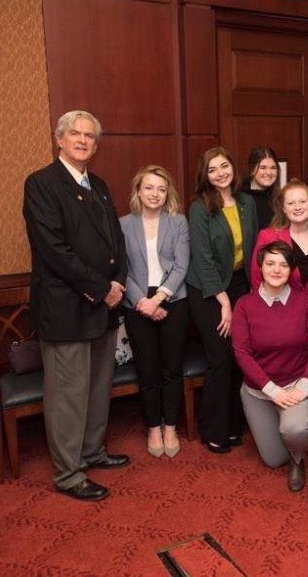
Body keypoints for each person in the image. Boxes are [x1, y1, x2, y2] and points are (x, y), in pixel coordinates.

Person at [22, 110, 129, 502]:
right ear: (60, 140)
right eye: (75, 134)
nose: (83, 140)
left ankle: (92, 452)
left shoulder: (97, 184)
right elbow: (53, 250)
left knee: (99, 386)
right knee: (68, 394)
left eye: (89, 136)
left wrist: (116, 284)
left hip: (103, 304)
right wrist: (100, 287)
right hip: (67, 307)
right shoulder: (41, 184)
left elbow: (115, 239)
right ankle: (68, 473)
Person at [251, 180, 308, 447]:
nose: (297, 207)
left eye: (302, 201)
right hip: (281, 313)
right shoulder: (269, 236)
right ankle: (282, 408)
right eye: (291, 202)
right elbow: (259, 280)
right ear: (283, 207)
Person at [232, 241, 308, 492]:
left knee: (294, 430)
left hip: (297, 385)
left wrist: (303, 386)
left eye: (283, 264)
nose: (276, 269)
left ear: (291, 270)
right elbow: (241, 352)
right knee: (274, 459)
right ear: (260, 267)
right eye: (270, 263)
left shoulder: (306, 302)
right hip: (259, 392)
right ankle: (289, 435)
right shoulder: (244, 305)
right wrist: (273, 391)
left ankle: (298, 458)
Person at [187, 146, 258, 454]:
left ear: (233, 168)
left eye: (224, 166)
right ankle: (212, 429)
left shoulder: (246, 202)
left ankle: (233, 426)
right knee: (220, 358)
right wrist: (223, 301)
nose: (220, 173)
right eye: (213, 169)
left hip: (242, 284)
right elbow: (202, 259)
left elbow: (254, 249)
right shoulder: (200, 207)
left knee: (241, 356)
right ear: (205, 174)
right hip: (207, 290)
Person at [119, 165, 190, 459]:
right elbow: (120, 269)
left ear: (167, 193)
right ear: (138, 190)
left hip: (172, 299)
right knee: (147, 370)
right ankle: (152, 427)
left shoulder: (178, 222)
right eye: (149, 187)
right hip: (137, 301)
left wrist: (158, 299)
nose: (155, 194)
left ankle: (170, 426)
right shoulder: (123, 224)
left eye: (161, 189)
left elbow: (181, 265)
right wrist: (142, 302)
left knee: (171, 369)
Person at [245, 146, 281, 230]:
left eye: (273, 168)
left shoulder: (280, 197)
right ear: (252, 170)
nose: (268, 172)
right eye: (263, 167)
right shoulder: (240, 197)